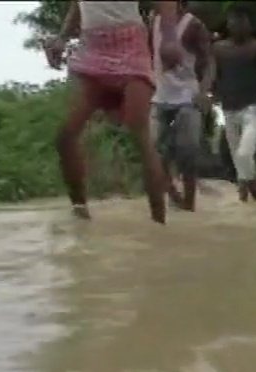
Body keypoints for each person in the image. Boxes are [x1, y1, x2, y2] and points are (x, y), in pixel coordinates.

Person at [45, 0, 184, 223]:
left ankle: (159, 225)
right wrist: (62, 37)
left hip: (130, 45)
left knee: (139, 134)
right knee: (66, 135)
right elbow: (77, 5)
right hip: (91, 49)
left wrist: (169, 38)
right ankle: (80, 215)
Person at [149, 0, 214, 212]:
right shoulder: (153, 20)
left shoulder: (193, 25)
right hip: (159, 95)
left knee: (187, 151)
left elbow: (210, 62)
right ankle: (173, 194)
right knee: (153, 152)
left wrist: (204, 92)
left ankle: (189, 203)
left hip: (188, 96)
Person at [212, 5, 256, 202]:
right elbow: (215, 75)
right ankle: (252, 184)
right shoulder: (219, 49)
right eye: (234, 22)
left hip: (253, 108)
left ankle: (243, 185)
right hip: (229, 108)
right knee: (237, 154)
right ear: (229, 26)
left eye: (242, 22)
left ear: (248, 26)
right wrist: (213, 95)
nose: (238, 26)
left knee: (244, 153)